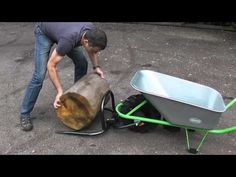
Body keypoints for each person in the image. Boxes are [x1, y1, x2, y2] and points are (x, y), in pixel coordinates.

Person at [20, 22, 107, 131]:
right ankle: (24, 113)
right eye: (95, 50)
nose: (96, 53)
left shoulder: (92, 32)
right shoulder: (69, 39)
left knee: (82, 62)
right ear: (85, 41)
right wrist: (59, 91)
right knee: (39, 76)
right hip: (44, 32)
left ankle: (76, 97)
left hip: (62, 32)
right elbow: (51, 65)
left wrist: (96, 67)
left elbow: (93, 51)